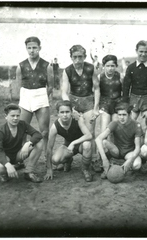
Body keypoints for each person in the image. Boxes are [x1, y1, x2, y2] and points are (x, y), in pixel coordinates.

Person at [61, 44, 101, 172]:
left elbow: (96, 88)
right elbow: (64, 92)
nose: (77, 60)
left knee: (90, 134)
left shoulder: (90, 68)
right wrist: (69, 109)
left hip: (88, 102)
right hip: (73, 103)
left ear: (84, 57)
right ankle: (68, 159)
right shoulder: (67, 71)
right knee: (69, 133)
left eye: (80, 57)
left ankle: (93, 159)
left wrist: (95, 108)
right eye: (75, 57)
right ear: (71, 57)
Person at [16, 36, 53, 157]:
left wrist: (42, 98)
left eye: (34, 48)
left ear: (39, 48)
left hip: (41, 96)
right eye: (29, 48)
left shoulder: (47, 66)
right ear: (26, 48)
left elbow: (51, 86)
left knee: (44, 132)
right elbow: (18, 87)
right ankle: (20, 159)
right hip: (25, 98)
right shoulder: (20, 66)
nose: (32, 50)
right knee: (21, 131)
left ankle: (48, 161)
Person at [0, 103, 43, 183]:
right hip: (6, 156)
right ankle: (5, 175)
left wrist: (28, 143)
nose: (15, 118)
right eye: (12, 116)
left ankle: (28, 172)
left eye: (17, 115)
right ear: (6, 116)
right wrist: (7, 164)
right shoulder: (1, 132)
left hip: (18, 155)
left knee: (39, 143)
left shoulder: (22, 124)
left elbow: (38, 134)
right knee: (0, 168)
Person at [44, 100, 93, 182]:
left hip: (80, 144)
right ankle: (68, 160)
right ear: (58, 113)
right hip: (68, 146)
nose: (65, 115)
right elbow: (49, 148)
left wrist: (73, 143)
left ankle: (85, 169)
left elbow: (89, 135)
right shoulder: (55, 127)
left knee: (87, 145)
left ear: (71, 112)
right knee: (55, 160)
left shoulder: (77, 119)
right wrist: (49, 169)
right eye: (62, 112)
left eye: (67, 112)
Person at [95, 103, 143, 179]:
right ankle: (106, 164)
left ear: (130, 114)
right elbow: (98, 139)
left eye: (124, 115)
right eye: (119, 115)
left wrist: (130, 160)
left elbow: (138, 148)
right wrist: (104, 159)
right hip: (116, 151)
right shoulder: (114, 123)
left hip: (129, 152)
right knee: (103, 142)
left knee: (137, 165)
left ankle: (121, 166)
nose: (121, 117)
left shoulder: (136, 125)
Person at [122, 40, 147, 131]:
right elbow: (126, 87)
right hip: (134, 98)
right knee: (129, 123)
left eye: (146, 52)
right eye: (141, 51)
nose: (143, 54)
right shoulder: (131, 67)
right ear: (136, 51)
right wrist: (126, 104)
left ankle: (146, 144)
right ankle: (130, 144)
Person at [98, 54, 123, 134]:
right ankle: (102, 146)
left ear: (116, 66)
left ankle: (114, 146)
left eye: (112, 66)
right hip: (104, 104)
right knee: (104, 130)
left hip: (117, 104)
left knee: (115, 129)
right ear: (103, 66)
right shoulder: (100, 77)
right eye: (108, 66)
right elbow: (96, 92)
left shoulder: (120, 76)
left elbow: (125, 91)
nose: (110, 68)